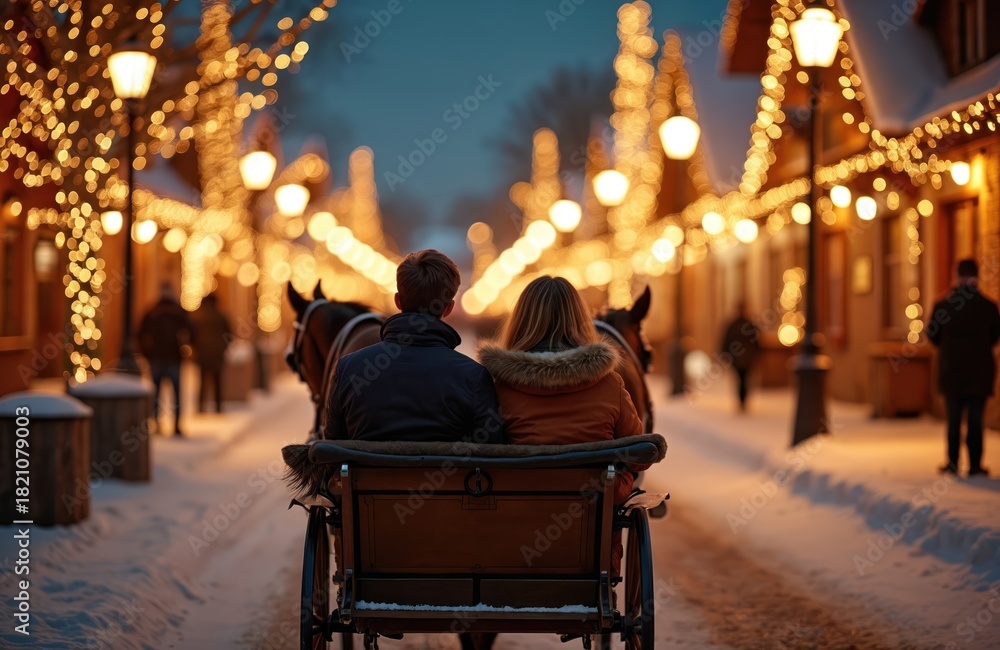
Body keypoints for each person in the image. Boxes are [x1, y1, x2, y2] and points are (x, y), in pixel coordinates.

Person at [478, 276, 646, 498]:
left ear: (521, 321)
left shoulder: (497, 389)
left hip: (517, 515)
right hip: (591, 516)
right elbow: (637, 457)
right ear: (580, 320)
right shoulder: (610, 385)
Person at [323, 249, 504, 444]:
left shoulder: (348, 369)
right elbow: (491, 452)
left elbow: (332, 449)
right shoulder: (474, 377)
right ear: (449, 308)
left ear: (398, 301)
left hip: (361, 476)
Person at [927, 258, 1000, 477]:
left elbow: (932, 334)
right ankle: (975, 464)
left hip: (952, 370)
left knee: (954, 418)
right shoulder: (988, 306)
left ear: (955, 275)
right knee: (976, 419)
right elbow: (995, 336)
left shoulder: (943, 305)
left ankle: (952, 462)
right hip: (980, 371)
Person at [138, 282, 193, 436]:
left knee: (156, 394)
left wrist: (147, 354)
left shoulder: (152, 312)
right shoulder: (179, 312)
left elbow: (140, 334)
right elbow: (191, 332)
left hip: (156, 358)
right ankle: (176, 425)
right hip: (174, 358)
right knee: (176, 394)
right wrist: (186, 350)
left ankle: (156, 423)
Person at [192, 292, 232, 414]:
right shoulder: (221, 316)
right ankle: (218, 407)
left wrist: (196, 349)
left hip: (202, 354)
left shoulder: (198, 316)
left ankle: (200, 407)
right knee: (218, 381)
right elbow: (229, 335)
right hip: (217, 354)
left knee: (202, 381)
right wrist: (223, 347)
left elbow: (192, 335)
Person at [720, 303, 761, 411]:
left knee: (744, 379)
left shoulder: (746, 324)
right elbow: (727, 341)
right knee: (741, 379)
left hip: (745, 357)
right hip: (738, 358)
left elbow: (755, 341)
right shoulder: (738, 324)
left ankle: (743, 400)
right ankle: (742, 400)